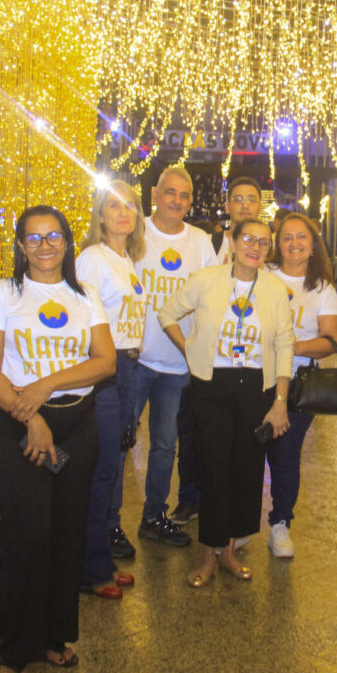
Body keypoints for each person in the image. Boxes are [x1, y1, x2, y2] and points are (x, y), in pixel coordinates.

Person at [0, 205, 116, 673]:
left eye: (53, 236)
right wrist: (31, 415)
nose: (44, 245)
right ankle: (17, 647)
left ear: (67, 242)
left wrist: (47, 384)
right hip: (13, 423)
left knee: (67, 533)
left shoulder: (85, 294)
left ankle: (56, 635)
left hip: (75, 424)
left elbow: (105, 362)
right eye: (33, 238)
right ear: (20, 246)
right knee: (29, 533)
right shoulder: (4, 293)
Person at [159, 219, 294, 586]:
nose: (255, 247)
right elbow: (167, 314)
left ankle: (231, 551)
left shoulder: (275, 289)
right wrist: (189, 351)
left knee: (247, 473)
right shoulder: (206, 280)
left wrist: (280, 401)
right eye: (248, 239)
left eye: (263, 242)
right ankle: (208, 553)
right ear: (232, 243)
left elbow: (284, 345)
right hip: (212, 386)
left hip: (256, 388)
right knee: (213, 470)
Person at [130, 166, 216, 549]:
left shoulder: (200, 242)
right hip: (135, 359)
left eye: (184, 195)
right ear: (155, 194)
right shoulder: (135, 233)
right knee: (119, 443)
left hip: (178, 364)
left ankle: (153, 516)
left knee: (165, 446)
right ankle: (106, 523)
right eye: (170, 192)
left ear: (190, 201)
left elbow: (212, 298)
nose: (176, 201)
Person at [75, 179, 147, 598]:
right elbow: (81, 320)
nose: (123, 212)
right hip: (105, 369)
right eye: (114, 205)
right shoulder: (92, 259)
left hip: (129, 366)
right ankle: (90, 568)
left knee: (114, 463)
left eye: (130, 206)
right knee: (102, 470)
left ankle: (99, 555)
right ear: (100, 215)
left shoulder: (126, 259)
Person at [263, 212, 337, 557]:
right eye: (287, 237)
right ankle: (240, 525)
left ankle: (280, 523)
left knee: (285, 454)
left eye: (302, 237)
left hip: (299, 384)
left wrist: (292, 347)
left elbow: (332, 340)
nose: (294, 243)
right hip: (255, 377)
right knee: (247, 452)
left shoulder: (322, 288)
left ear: (313, 245)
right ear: (277, 243)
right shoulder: (263, 274)